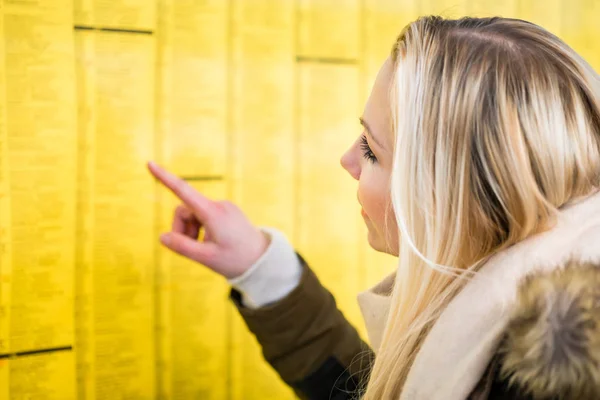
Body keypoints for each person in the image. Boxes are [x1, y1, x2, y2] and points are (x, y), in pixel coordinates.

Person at [148, 16, 600, 400]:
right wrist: (263, 269)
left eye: (371, 150)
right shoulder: (510, 327)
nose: (347, 162)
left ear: (451, 194)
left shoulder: (539, 380)